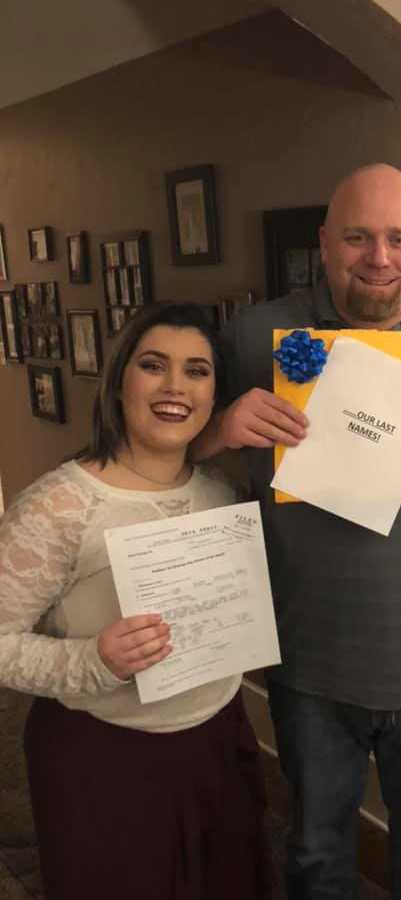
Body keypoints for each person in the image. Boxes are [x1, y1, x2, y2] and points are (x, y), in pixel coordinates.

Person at [194, 163, 401, 900]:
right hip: (309, 668)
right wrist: (217, 430)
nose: (379, 256)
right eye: (358, 237)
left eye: (399, 238)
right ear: (324, 243)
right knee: (315, 853)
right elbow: (152, 430)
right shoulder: (254, 334)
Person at [0, 303, 269, 900]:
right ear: (120, 380)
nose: (176, 386)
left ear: (214, 393)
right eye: (154, 365)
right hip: (103, 759)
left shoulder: (222, 494)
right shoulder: (60, 505)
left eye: (197, 371)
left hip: (217, 742)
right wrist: (93, 661)